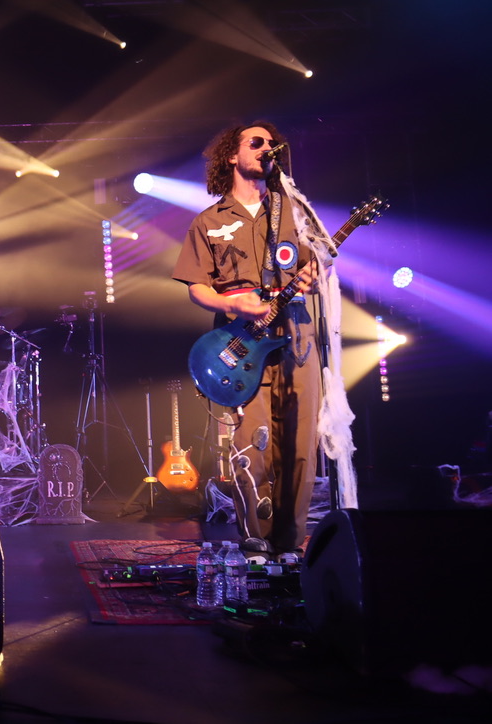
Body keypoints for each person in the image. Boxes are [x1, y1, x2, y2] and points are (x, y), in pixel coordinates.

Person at [172, 121, 321, 556]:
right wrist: (234, 305)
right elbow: (197, 287)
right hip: (242, 345)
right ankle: (256, 549)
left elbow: (320, 263)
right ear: (232, 156)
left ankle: (291, 550)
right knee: (251, 449)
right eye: (256, 142)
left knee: (300, 446)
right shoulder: (209, 220)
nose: (267, 148)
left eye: (272, 143)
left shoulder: (293, 209)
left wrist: (315, 276)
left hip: (295, 338)